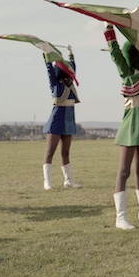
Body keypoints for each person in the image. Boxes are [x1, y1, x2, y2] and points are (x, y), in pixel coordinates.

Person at [104, 24, 139, 229]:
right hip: (131, 127)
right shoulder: (128, 75)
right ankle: (120, 217)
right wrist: (109, 32)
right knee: (124, 171)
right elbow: (116, 55)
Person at [42, 45, 82, 190]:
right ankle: (47, 181)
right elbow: (49, 71)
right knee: (49, 152)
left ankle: (68, 180)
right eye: (68, 76)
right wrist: (47, 55)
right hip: (56, 122)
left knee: (65, 153)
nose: (71, 78)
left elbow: (73, 67)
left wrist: (71, 54)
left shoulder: (71, 87)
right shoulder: (55, 85)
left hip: (69, 122)